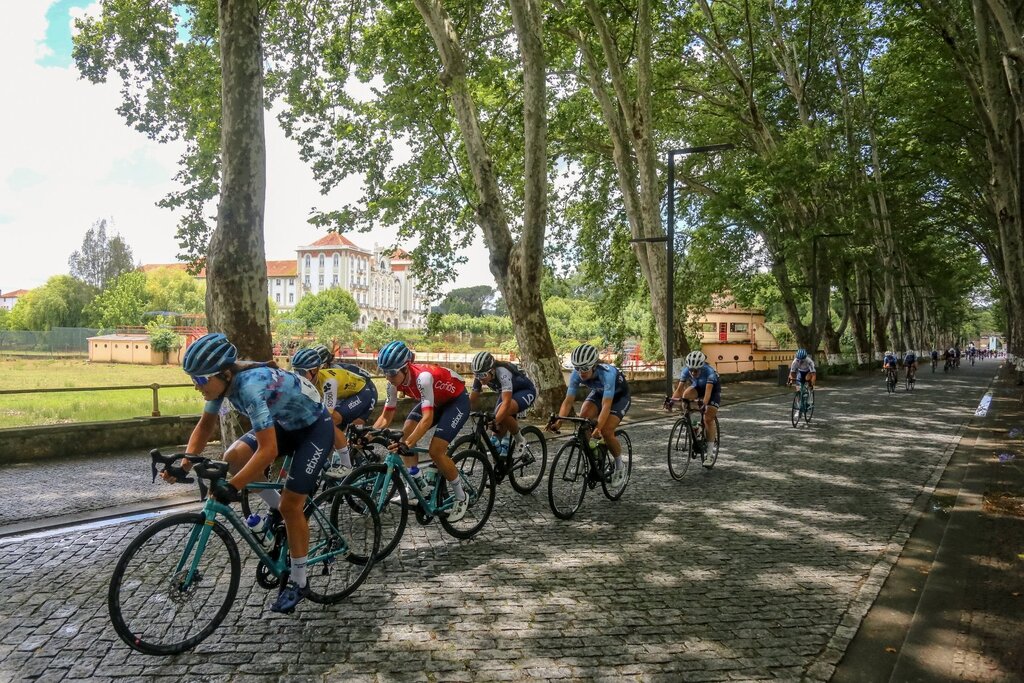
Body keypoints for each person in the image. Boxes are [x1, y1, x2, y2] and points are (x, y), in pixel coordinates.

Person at [161, 333, 334, 614]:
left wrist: (234, 486)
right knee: (234, 457)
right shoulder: (222, 383)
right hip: (285, 423)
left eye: (201, 380)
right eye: (194, 379)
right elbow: (205, 426)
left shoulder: (250, 388)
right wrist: (183, 465)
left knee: (292, 505)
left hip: (314, 428)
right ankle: (276, 507)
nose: (197, 386)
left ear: (224, 374)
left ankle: (299, 581)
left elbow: (267, 451)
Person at [372, 340, 470, 521]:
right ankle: (417, 483)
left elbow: (426, 420)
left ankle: (461, 496)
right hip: (435, 401)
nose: (387, 377)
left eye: (392, 372)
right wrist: (369, 434)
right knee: (406, 431)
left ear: (405, 367)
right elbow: (386, 417)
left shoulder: (422, 378)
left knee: (436, 451)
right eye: (383, 372)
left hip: (456, 402)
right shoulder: (393, 384)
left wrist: (406, 444)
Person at [549, 344, 631, 486]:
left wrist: (598, 428)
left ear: (594, 365)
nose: (581, 372)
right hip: (599, 394)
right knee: (583, 419)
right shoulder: (577, 374)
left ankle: (619, 465)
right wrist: (559, 422)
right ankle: (591, 454)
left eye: (585, 368)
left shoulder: (608, 373)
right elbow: (568, 401)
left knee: (606, 431)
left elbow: (606, 405)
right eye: (577, 367)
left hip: (618, 398)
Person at [290, 347, 377, 478]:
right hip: (344, 395)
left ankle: (347, 465)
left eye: (301, 372)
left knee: (330, 421)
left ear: (314, 370)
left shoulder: (328, 382)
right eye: (295, 371)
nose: (297, 375)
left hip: (363, 392)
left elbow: (327, 415)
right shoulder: (306, 381)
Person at [468, 350, 536, 457]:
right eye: (477, 375)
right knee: (495, 438)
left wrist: (495, 420)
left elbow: (506, 402)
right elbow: (472, 399)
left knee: (501, 413)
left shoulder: (502, 372)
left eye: (483, 375)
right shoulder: (480, 377)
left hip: (524, 391)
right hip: (507, 394)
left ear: (492, 371)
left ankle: (520, 440)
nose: (480, 378)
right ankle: (500, 463)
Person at [666, 350, 721, 452]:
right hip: (698, 387)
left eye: (696, 371)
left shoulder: (709, 372)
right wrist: (671, 402)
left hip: (712, 391)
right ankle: (695, 425)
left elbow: (707, 394)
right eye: (691, 370)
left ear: (701, 367)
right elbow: (679, 390)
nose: (692, 373)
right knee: (685, 395)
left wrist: (704, 405)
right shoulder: (686, 371)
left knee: (708, 418)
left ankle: (709, 453)